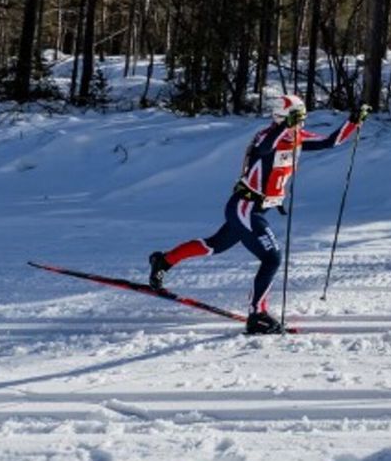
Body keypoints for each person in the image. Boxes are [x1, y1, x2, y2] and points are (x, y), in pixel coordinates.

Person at [148, 93, 367, 334]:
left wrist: (354, 121)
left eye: (303, 118)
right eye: (298, 118)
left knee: (214, 246)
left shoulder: (296, 137)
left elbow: (331, 141)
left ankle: (164, 261)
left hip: (253, 210)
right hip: (245, 207)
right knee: (272, 258)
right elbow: (264, 149)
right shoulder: (267, 136)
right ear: (283, 117)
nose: (302, 124)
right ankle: (257, 314)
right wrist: (285, 126)